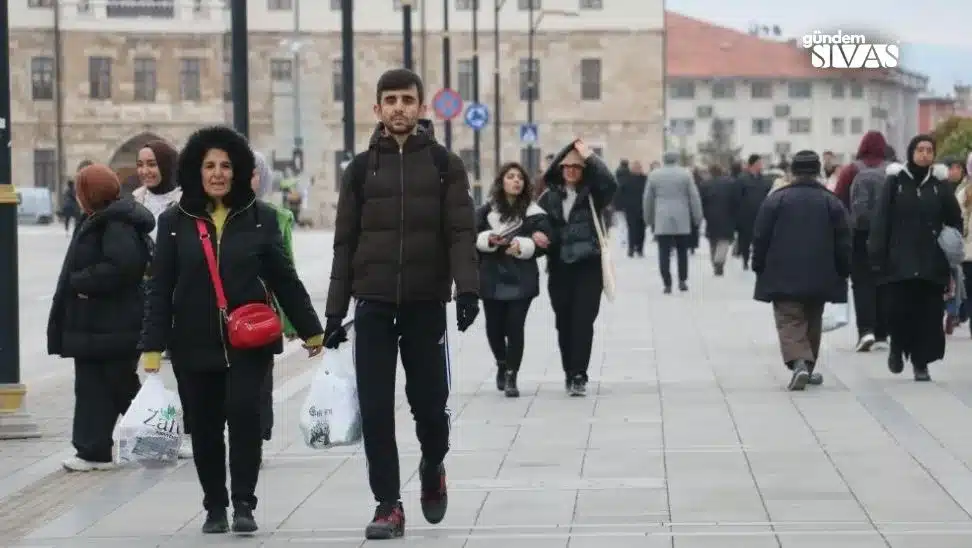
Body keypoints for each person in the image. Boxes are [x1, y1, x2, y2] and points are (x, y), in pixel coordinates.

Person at [140, 125, 324, 535]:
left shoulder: (260, 219)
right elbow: (159, 288)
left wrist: (312, 330)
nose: (218, 173)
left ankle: (244, 502)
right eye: (209, 165)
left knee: (244, 418)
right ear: (195, 170)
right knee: (204, 427)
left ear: (239, 170)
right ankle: (214, 506)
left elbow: (285, 278)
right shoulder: (174, 221)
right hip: (192, 341)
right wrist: (151, 346)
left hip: (248, 342)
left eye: (226, 165)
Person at [321, 68, 479, 540]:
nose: (398, 108)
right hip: (371, 305)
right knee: (374, 407)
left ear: (421, 107)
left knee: (430, 404)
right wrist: (333, 312)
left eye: (406, 100)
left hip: (424, 302)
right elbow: (343, 243)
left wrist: (467, 289)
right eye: (389, 100)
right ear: (377, 109)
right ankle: (387, 504)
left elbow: (460, 231)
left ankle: (433, 464)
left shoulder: (445, 164)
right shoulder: (359, 169)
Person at [46, 164, 155, 471]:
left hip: (111, 322)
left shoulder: (114, 224)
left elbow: (125, 266)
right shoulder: (101, 220)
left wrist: (82, 282)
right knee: (98, 385)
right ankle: (96, 450)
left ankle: (146, 437)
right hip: (101, 324)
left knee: (111, 383)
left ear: (89, 194)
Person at [752, 151, 851, 391]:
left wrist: (758, 263)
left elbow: (760, 236)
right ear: (817, 171)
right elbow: (844, 240)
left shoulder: (776, 199)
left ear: (793, 171)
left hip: (781, 271)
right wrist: (844, 268)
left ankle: (799, 363)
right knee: (812, 318)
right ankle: (807, 365)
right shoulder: (832, 201)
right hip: (821, 272)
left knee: (789, 318)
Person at [869, 135, 963, 381]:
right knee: (899, 312)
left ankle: (921, 363)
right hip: (898, 261)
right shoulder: (895, 182)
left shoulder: (939, 186)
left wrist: (950, 241)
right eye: (920, 150)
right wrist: (877, 256)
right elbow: (881, 221)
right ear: (911, 152)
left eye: (929, 150)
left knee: (929, 315)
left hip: (932, 262)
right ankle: (897, 349)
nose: (924, 154)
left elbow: (955, 219)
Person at [538, 139, 618, 396]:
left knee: (583, 321)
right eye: (567, 166)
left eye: (577, 166)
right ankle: (569, 371)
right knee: (564, 322)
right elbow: (537, 226)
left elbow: (611, 182)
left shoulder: (593, 194)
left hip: (588, 266)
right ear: (560, 169)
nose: (571, 170)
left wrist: (590, 156)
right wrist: (538, 239)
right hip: (559, 267)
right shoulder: (548, 198)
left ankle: (579, 374)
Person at [129, 138, 193, 457]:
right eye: (140, 165)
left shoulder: (186, 200)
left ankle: (193, 431)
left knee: (186, 367)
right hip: (148, 298)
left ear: (167, 165)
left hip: (183, 295)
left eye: (152, 164)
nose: (145, 171)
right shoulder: (135, 202)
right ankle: (162, 431)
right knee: (152, 368)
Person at [475, 162, 551, 397]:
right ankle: (501, 361)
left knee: (515, 326)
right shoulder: (487, 212)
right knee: (494, 327)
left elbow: (546, 240)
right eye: (511, 176)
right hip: (491, 275)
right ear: (502, 181)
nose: (516, 181)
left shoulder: (533, 213)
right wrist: (488, 240)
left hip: (522, 277)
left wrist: (526, 245)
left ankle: (511, 375)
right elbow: (470, 237)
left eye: (520, 177)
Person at [250, 151, 299, 448]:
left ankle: (256, 434)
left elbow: (287, 273)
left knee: (260, 382)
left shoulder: (276, 219)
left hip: (262, 315)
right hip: (219, 316)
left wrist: (295, 323)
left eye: (253, 172)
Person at [841, 131, 891, 352]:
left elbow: (838, 200)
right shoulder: (891, 170)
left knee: (861, 283)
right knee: (884, 283)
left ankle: (866, 332)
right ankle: (882, 334)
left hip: (858, 236)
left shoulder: (851, 170)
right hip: (886, 237)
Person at [643, 151, 703, 292]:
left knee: (664, 251)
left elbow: (648, 199)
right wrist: (697, 216)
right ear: (676, 159)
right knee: (682, 251)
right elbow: (694, 197)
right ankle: (682, 280)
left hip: (662, 217)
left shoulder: (654, 175)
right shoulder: (685, 174)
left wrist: (648, 219)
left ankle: (667, 283)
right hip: (682, 217)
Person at [699, 164, 738, 276]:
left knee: (713, 241)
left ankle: (715, 262)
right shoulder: (731, 183)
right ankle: (719, 261)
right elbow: (736, 200)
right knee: (724, 240)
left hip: (711, 217)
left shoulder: (705, 184)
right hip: (727, 215)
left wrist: (704, 214)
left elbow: (702, 201)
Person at [735, 154, 772, 270]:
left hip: (761, 215)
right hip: (746, 216)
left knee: (759, 240)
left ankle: (757, 260)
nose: (761, 165)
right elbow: (737, 198)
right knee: (745, 240)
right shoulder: (742, 179)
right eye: (759, 163)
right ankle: (745, 260)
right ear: (753, 164)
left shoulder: (765, 180)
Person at [617, 161, 647, 257]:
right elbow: (620, 193)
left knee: (641, 229)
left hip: (643, 207)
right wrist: (620, 206)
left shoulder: (645, 179)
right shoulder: (626, 179)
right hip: (630, 208)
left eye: (639, 167)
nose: (637, 169)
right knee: (632, 229)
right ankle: (631, 248)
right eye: (635, 168)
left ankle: (640, 248)